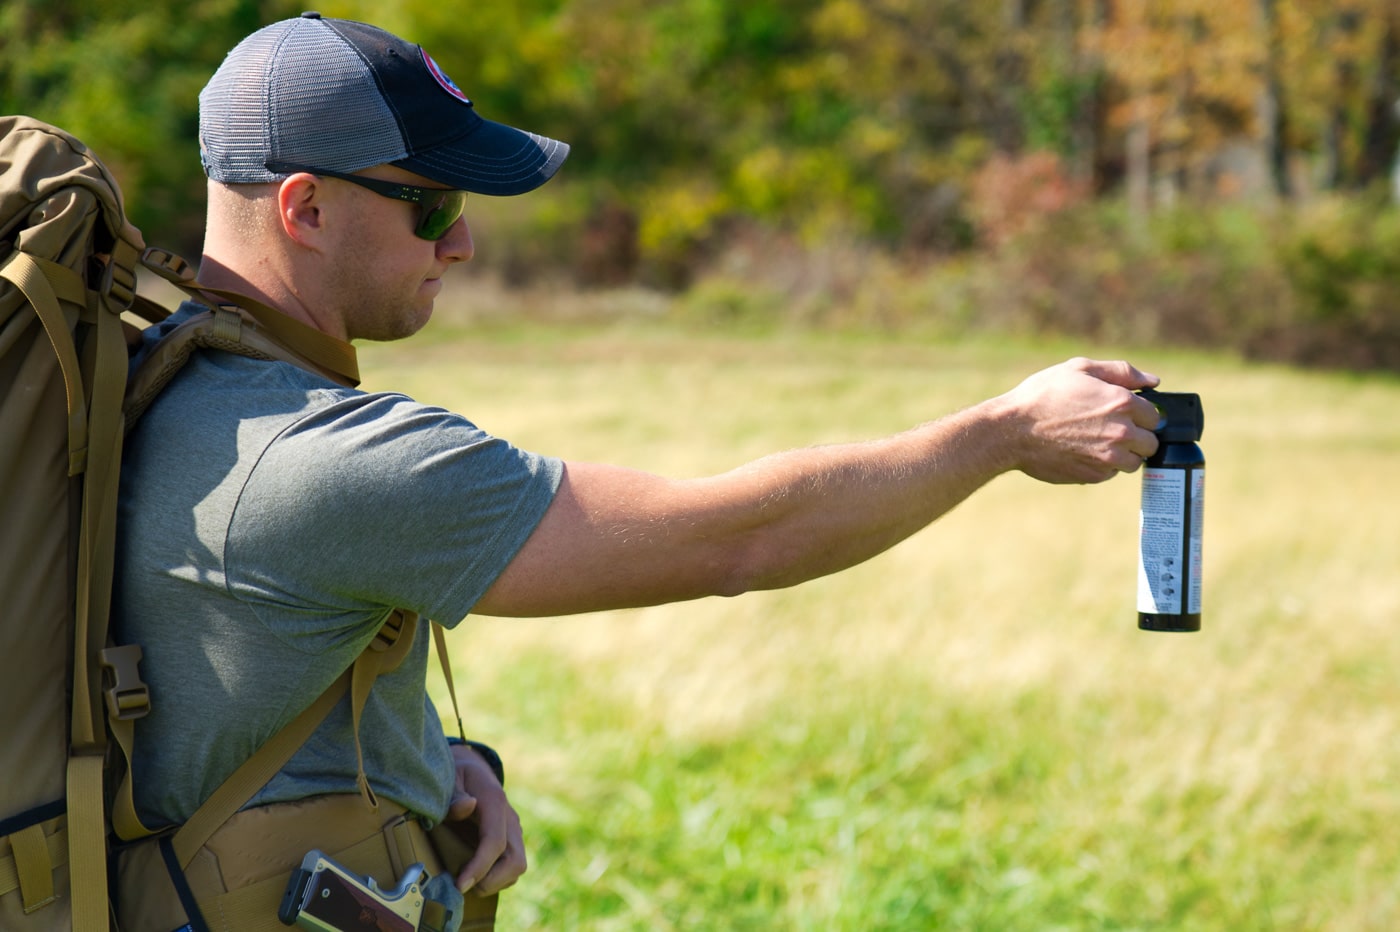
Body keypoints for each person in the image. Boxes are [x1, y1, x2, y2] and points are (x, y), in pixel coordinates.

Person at [113, 11, 1162, 926]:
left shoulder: (156, 382)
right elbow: (737, 538)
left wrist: (428, 764)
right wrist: (1004, 431)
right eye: (430, 205)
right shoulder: (326, 461)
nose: (463, 241)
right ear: (303, 208)